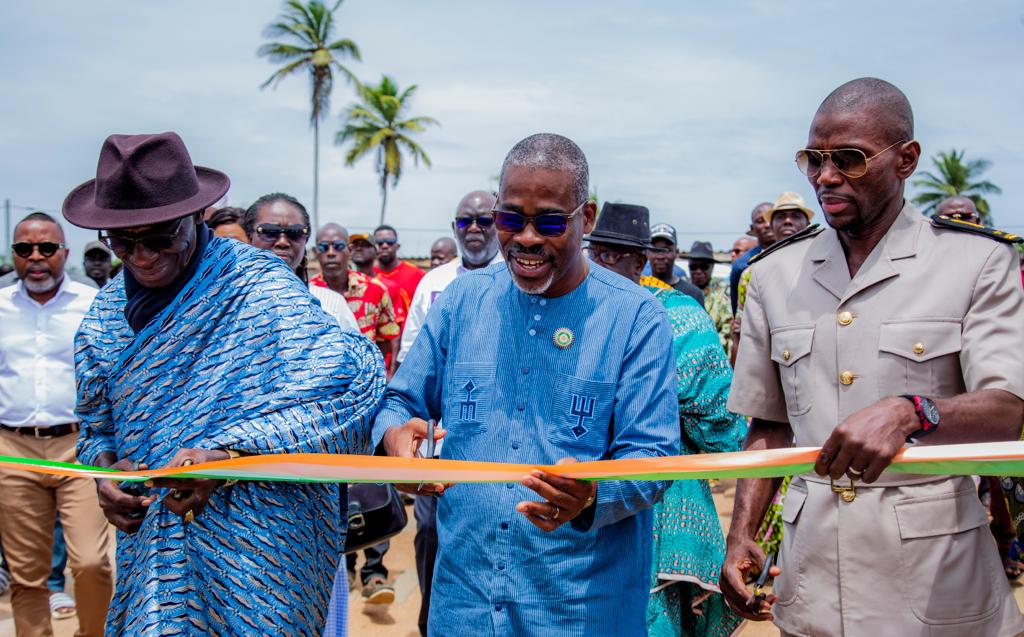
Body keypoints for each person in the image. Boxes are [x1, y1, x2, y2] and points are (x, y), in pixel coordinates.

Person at [721, 78, 1024, 636]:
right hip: (813, 578)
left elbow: (1006, 412)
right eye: (813, 159)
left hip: (937, 585)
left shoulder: (975, 263)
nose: (825, 176)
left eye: (850, 159)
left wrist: (914, 411)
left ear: (906, 159)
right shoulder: (772, 276)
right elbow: (768, 422)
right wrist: (742, 532)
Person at [63, 132, 386, 635]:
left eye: (159, 238)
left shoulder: (261, 287)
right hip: (155, 550)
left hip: (261, 554)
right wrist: (103, 474)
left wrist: (230, 456)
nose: (142, 256)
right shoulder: (105, 317)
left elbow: (349, 393)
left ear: (195, 218)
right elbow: (94, 424)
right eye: (124, 242)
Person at [374, 133, 680, 636]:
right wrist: (393, 439)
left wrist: (592, 494)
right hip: (465, 604)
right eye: (511, 219)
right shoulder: (459, 302)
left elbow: (655, 454)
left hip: (578, 608)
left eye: (550, 222)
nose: (528, 238)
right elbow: (401, 399)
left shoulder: (635, 317)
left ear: (587, 218)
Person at [585, 202, 745, 637]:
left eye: (611, 256)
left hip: (653, 507)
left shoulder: (679, 316)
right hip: (600, 500)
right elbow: (721, 428)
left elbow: (722, 428)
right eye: (596, 253)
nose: (599, 265)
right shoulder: (677, 315)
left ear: (639, 262)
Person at [0, 211, 113, 637]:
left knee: (91, 563)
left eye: (47, 248)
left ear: (64, 253)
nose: (36, 257)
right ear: (14, 255)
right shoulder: (1, 307)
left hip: (78, 448)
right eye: (24, 249)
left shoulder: (91, 303)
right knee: (26, 576)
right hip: (12, 449)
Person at [396, 189, 504, 635]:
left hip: (498, 440)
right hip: (439, 442)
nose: (474, 229)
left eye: (484, 220)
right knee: (430, 533)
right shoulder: (434, 283)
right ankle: (431, 620)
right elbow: (410, 362)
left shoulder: (517, 279)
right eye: (465, 222)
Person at [243, 195, 358, 334]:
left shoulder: (331, 305)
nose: (282, 242)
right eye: (269, 232)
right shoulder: (228, 302)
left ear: (305, 240)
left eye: (295, 233)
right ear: (249, 238)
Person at [313, 224, 402, 376]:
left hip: (366, 379)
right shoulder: (308, 293)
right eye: (323, 247)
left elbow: (387, 337)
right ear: (315, 252)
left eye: (338, 246)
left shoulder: (375, 289)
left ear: (350, 250)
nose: (331, 253)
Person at [373, 224, 425, 328]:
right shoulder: (367, 276)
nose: (384, 246)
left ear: (397, 245)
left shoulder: (417, 275)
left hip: (410, 338)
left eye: (390, 242)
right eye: (379, 243)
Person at [686, 241, 732, 355]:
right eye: (693, 267)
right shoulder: (681, 291)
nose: (698, 271)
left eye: (704, 267)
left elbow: (727, 330)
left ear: (712, 267)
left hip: (714, 354)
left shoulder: (723, 292)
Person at [729, 202, 774, 314]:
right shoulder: (741, 265)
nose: (767, 224)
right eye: (760, 221)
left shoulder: (793, 254)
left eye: (771, 217)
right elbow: (736, 308)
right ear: (752, 228)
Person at [646, 222, 704, 306]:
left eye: (666, 250)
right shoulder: (640, 290)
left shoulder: (693, 293)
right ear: (647, 252)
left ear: (676, 253)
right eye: (655, 249)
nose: (660, 256)